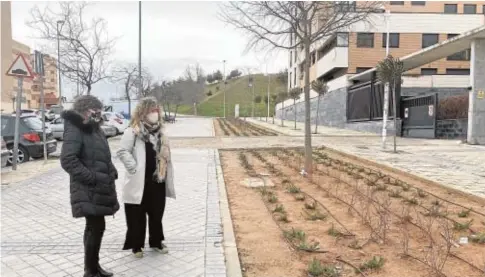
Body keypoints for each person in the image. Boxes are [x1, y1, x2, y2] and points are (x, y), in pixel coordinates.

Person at [60, 95, 119, 277]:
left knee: (95, 228)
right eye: (95, 109)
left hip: (100, 186)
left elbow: (103, 155)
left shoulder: (95, 129)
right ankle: (91, 270)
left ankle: (93, 268)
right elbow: (68, 160)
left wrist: (112, 170)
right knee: (95, 227)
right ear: (85, 110)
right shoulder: (75, 128)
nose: (98, 113)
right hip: (88, 188)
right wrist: (92, 178)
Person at [117, 97, 176, 258]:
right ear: (143, 112)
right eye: (151, 110)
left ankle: (156, 241)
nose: (155, 113)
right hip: (139, 181)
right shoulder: (133, 131)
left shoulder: (161, 133)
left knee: (157, 214)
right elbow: (122, 151)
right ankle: (137, 246)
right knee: (137, 215)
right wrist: (133, 167)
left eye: (156, 110)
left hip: (157, 180)